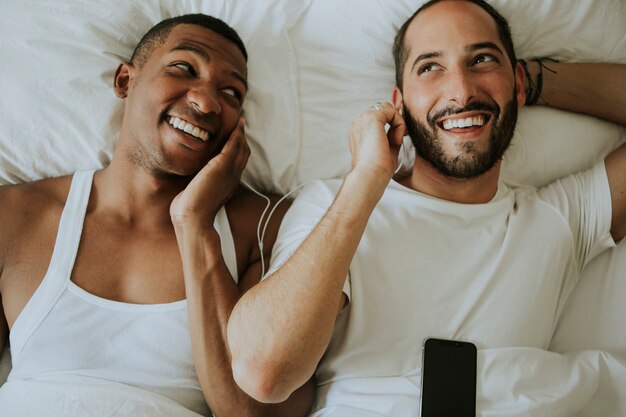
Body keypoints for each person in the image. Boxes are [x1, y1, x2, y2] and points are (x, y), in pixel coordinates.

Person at [226, 0, 626, 415]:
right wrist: (366, 179)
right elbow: (263, 371)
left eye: (483, 59)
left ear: (518, 83)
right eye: (430, 67)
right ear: (399, 102)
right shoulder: (335, 205)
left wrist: (533, 82)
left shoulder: (560, 218)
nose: (462, 90)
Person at [0, 13, 313, 417]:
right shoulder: (17, 214)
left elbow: (249, 411)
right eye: (184, 68)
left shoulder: (267, 229)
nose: (206, 101)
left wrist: (196, 224)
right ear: (125, 81)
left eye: (232, 93)